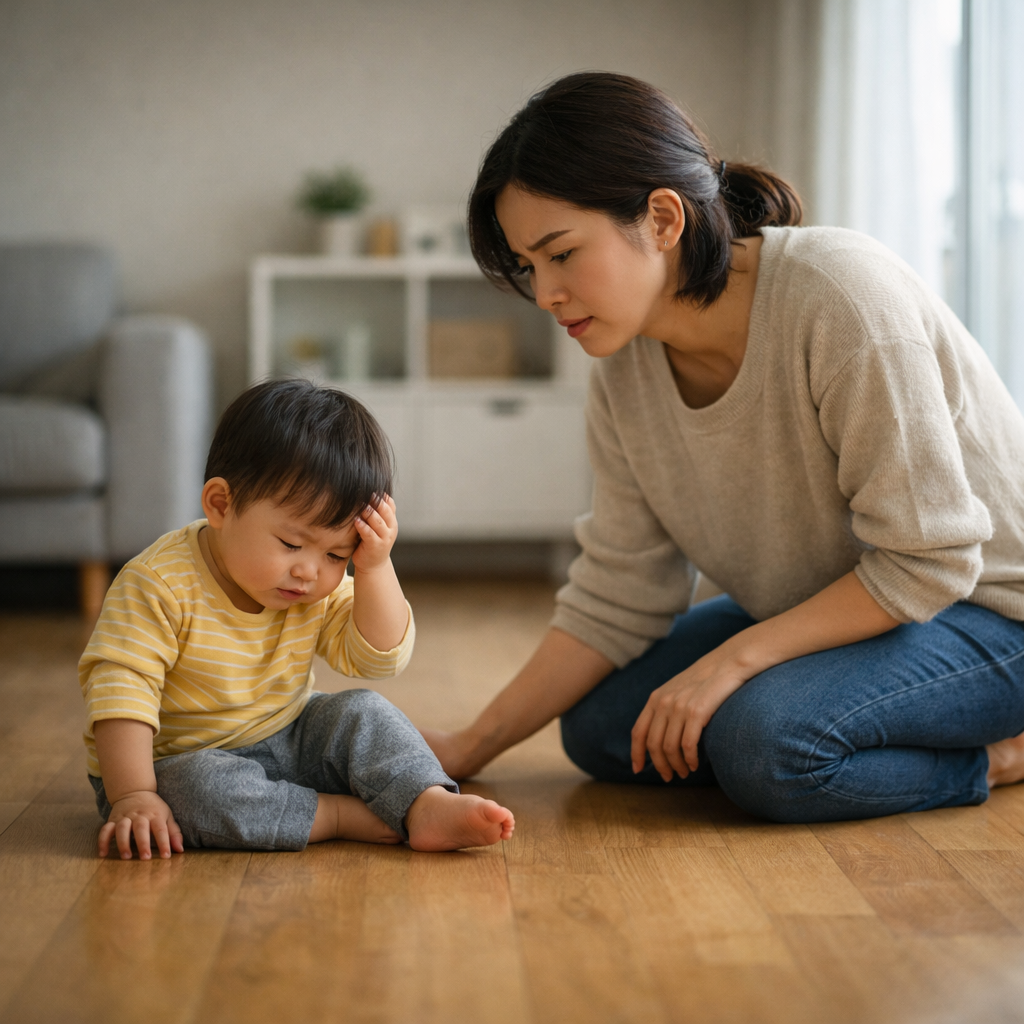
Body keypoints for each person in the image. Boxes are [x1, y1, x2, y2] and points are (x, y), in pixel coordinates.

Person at [423, 71, 1024, 822]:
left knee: (763, 744)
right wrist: (470, 746)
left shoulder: (839, 294)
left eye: (562, 254)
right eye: (528, 266)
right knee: (606, 727)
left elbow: (929, 560)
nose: (545, 294)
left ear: (662, 218)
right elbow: (621, 589)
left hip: (986, 614)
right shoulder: (624, 370)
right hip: (838, 606)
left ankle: (999, 756)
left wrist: (733, 663)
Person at [80, 379, 514, 859]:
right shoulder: (157, 584)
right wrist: (133, 795)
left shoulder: (314, 586)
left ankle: (425, 803)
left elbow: (378, 658)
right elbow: (120, 695)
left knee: (362, 711)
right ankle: (335, 815)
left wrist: (374, 567)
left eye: (336, 554)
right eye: (291, 544)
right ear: (221, 504)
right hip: (173, 764)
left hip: (289, 734)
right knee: (196, 789)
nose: (309, 571)